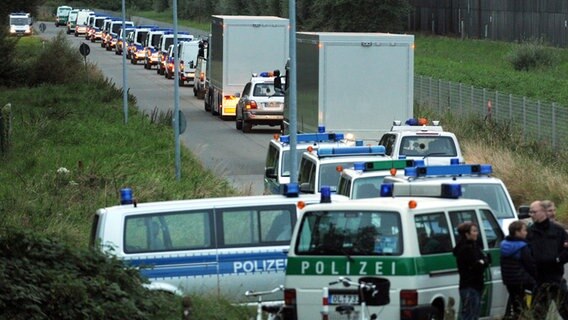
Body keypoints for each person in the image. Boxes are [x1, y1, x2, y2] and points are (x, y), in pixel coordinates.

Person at [526, 200, 568, 319]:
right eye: (530, 212)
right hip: (538, 281)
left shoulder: (558, 231)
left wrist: (558, 260)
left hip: (556, 278)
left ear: (543, 212)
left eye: (534, 212)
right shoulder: (529, 232)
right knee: (538, 315)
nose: (531, 215)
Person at [500, 220, 537, 320]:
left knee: (515, 304)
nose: (526, 233)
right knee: (525, 306)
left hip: (509, 280)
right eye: (524, 230)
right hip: (522, 280)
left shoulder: (504, 245)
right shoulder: (522, 246)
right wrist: (534, 278)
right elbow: (529, 264)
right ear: (517, 232)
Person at [453, 222, 489, 320]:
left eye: (476, 231)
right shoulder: (465, 249)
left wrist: (483, 261)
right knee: (470, 315)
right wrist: (482, 262)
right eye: (474, 231)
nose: (476, 233)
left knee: (474, 314)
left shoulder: (474, 246)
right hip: (469, 285)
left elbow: (485, 260)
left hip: (476, 285)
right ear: (467, 234)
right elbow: (476, 265)